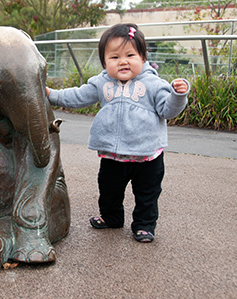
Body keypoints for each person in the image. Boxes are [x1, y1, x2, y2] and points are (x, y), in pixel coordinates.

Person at [46, 23, 190, 243]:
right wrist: (50, 94)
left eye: (130, 55)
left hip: (147, 156)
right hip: (113, 155)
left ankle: (144, 225)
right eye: (114, 57)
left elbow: (167, 110)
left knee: (147, 195)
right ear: (104, 62)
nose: (123, 61)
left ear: (143, 57)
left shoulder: (154, 84)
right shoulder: (102, 83)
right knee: (108, 190)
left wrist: (177, 96)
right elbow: (75, 97)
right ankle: (111, 217)